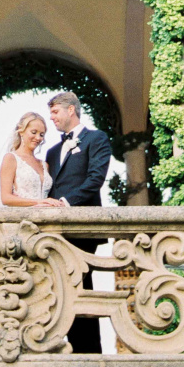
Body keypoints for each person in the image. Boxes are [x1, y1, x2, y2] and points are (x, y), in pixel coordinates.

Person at [45, 90, 111, 353]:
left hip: (82, 227)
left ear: (70, 110)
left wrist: (66, 203)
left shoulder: (96, 138)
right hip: (54, 231)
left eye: (55, 112)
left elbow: (95, 179)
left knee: (81, 285)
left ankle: (89, 351)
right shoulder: (52, 152)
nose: (52, 118)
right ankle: (66, 348)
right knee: (60, 288)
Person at [0, 111, 64, 208]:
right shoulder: (11, 158)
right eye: (34, 132)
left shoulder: (45, 165)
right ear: (21, 131)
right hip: (22, 215)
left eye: (41, 134)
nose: (38, 138)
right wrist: (40, 202)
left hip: (46, 215)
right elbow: (6, 198)